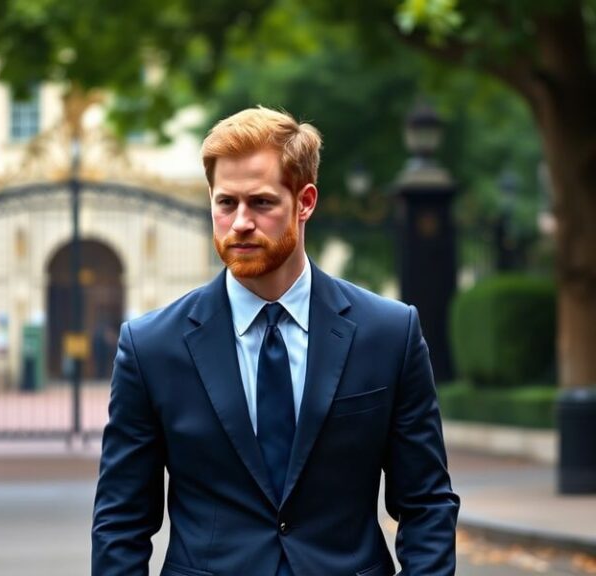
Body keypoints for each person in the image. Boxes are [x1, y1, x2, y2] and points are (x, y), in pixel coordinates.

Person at [92, 106, 459, 576]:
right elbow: (120, 522)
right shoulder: (151, 347)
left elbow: (426, 502)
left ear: (304, 201)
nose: (240, 221)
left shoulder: (389, 333)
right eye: (226, 203)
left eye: (261, 203)